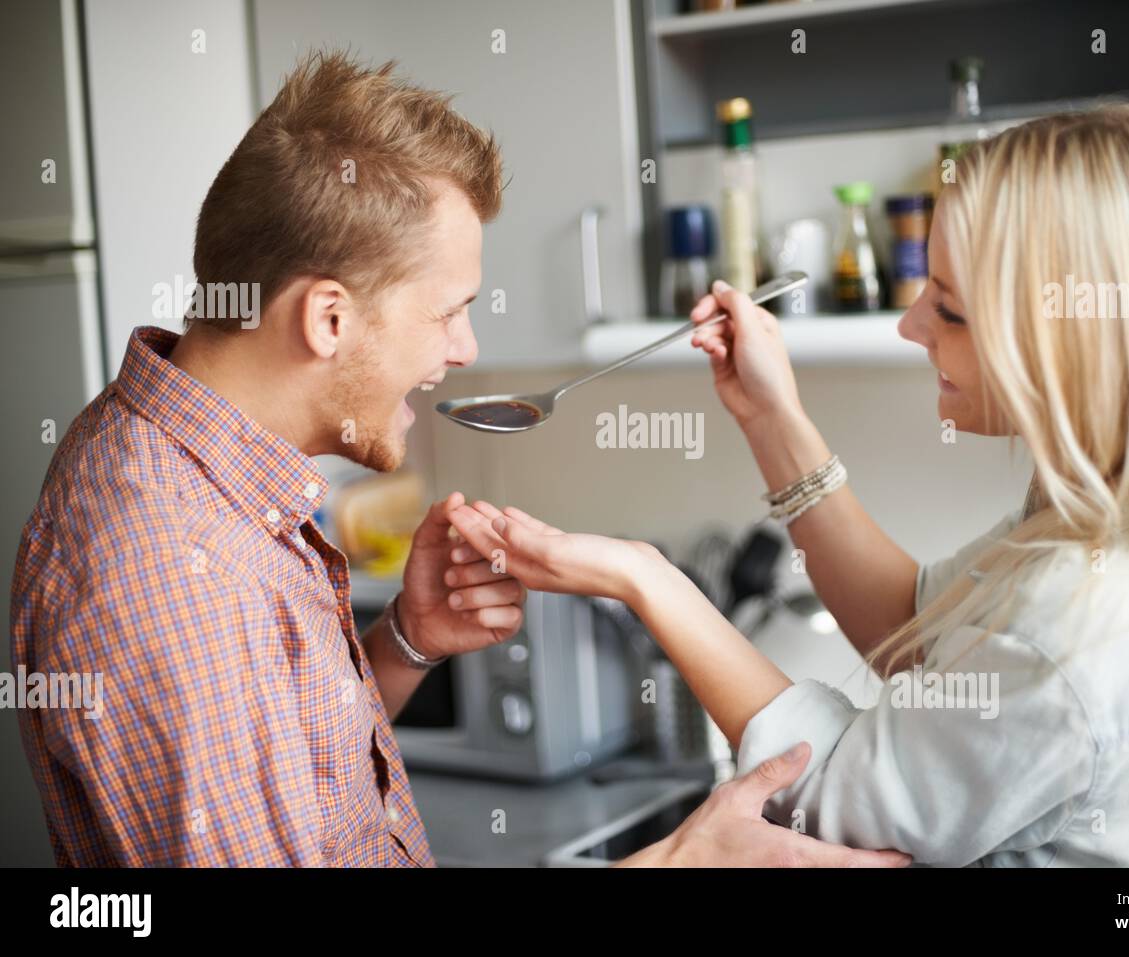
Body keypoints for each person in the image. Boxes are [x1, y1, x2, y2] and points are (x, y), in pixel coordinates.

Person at [9, 50, 907, 869]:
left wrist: (403, 642)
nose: (466, 348)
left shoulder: (202, 468)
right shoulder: (170, 568)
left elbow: (304, 789)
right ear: (328, 318)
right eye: (447, 312)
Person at [447, 106, 1129, 867]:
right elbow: (912, 630)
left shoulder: (1085, 613)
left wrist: (646, 576)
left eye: (951, 308)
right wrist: (772, 419)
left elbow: (832, 800)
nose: (910, 323)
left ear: (1068, 344)